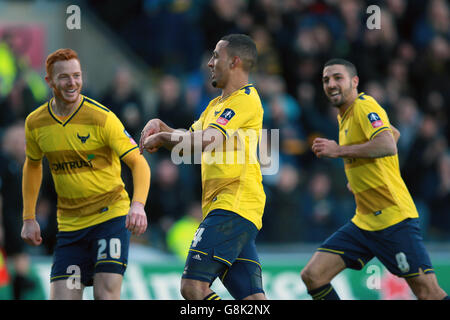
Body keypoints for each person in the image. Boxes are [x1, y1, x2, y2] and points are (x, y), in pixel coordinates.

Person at [300, 58, 449, 300]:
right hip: (364, 222)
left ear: (354, 81)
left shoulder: (363, 106)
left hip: (394, 219)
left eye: (338, 77)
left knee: (428, 292)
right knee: (313, 276)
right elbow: (394, 133)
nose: (331, 84)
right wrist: (360, 177)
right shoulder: (344, 116)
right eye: (326, 80)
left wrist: (338, 151)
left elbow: (387, 144)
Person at [140, 34, 267, 300]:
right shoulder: (215, 106)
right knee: (253, 301)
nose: (210, 63)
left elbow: (207, 140)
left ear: (234, 62)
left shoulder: (245, 99)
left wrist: (164, 138)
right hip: (232, 210)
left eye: (215, 56)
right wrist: (162, 126)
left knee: (193, 287)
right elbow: (188, 141)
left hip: (233, 205)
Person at [20, 48, 150, 300]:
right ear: (49, 81)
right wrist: (28, 217)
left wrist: (138, 205)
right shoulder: (35, 123)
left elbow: (139, 163)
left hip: (109, 218)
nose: (72, 83)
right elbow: (33, 165)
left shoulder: (102, 118)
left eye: (77, 76)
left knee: (105, 294)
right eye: (65, 77)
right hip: (70, 226)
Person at [0, 123, 36, 299]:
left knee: (19, 255)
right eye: (22, 142)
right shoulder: (3, 162)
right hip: (6, 221)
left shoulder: (17, 164)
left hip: (14, 221)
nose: (24, 147)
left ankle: (19, 285)